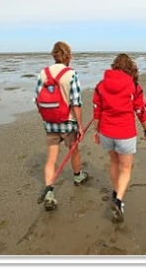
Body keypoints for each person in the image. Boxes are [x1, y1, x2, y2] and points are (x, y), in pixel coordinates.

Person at [92, 53, 146, 222]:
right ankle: (118, 201)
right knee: (125, 168)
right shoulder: (134, 86)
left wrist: (96, 132)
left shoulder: (101, 85)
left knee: (114, 162)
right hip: (125, 133)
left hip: (106, 132)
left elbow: (97, 111)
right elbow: (140, 111)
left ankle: (115, 191)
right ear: (130, 68)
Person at [35, 41, 89, 211]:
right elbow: (76, 103)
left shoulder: (43, 73)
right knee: (74, 150)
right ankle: (78, 176)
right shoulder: (71, 74)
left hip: (50, 123)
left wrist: (47, 116)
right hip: (68, 122)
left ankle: (50, 193)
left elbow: (37, 99)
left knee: (51, 158)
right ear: (68, 56)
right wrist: (80, 125)